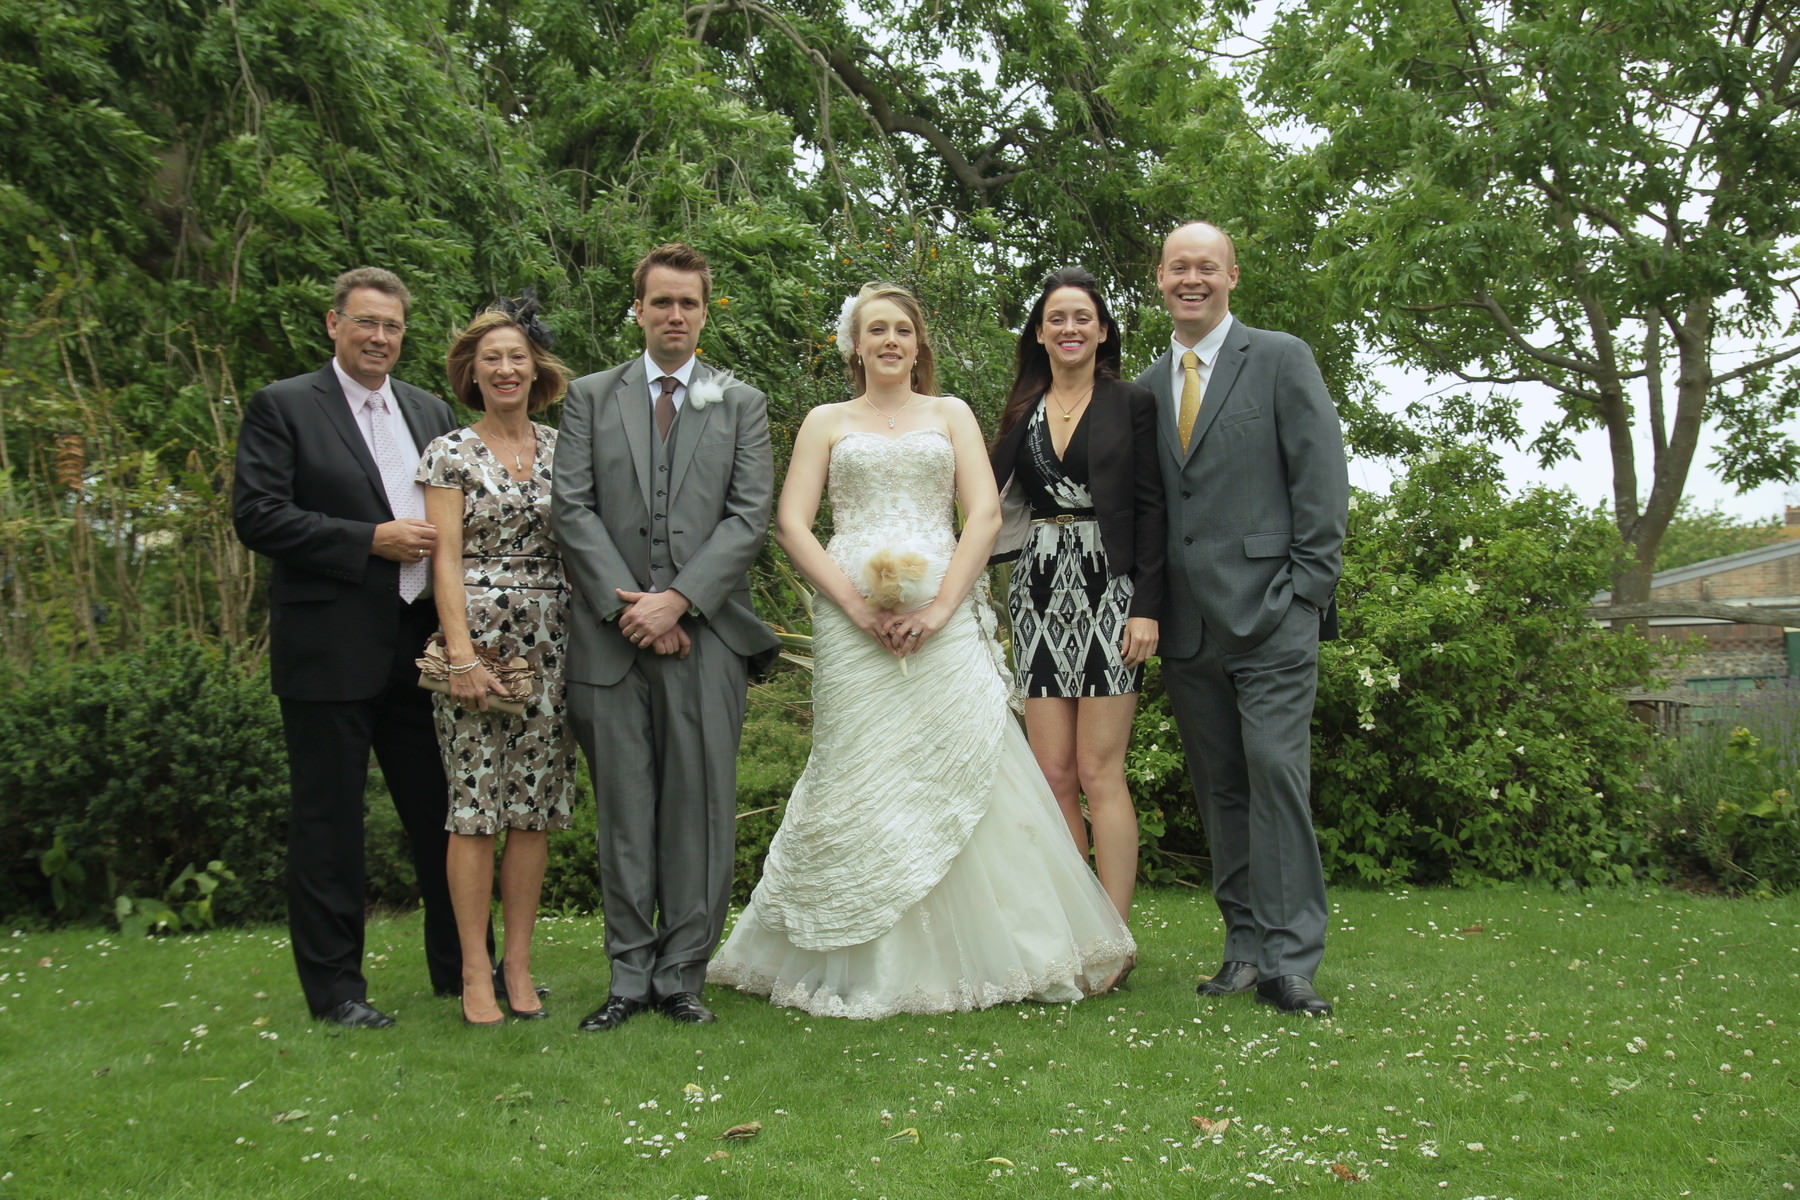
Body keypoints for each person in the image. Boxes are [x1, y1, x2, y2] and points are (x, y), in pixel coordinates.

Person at [707, 283, 1134, 1019]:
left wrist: (939, 610)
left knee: (970, 764)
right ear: (855, 344)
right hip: (853, 627)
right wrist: (853, 606)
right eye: (875, 330)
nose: (890, 341)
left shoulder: (951, 414)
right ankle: (864, 955)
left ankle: (1004, 950)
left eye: (902, 330)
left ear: (918, 344)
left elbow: (985, 515)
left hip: (946, 621)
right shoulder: (826, 422)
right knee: (858, 767)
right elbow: (792, 523)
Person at [552, 243, 781, 1032]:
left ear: (705, 313)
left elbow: (749, 516)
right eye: (661, 302)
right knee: (623, 813)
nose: (674, 315)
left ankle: (682, 976)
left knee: (699, 811)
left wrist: (678, 601)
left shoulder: (740, 402)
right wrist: (633, 611)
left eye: (688, 303)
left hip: (706, 638)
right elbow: (572, 508)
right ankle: (627, 978)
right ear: (639, 309)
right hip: (609, 640)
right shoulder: (589, 397)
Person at [233, 267, 462, 1027]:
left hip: (420, 646)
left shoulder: (429, 410)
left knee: (444, 814)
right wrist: (368, 539)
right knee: (330, 823)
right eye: (366, 322)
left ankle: (462, 970)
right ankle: (336, 991)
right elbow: (258, 515)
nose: (379, 338)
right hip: (329, 646)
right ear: (334, 324)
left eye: (392, 326)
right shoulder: (285, 406)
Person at [1135, 222, 1348, 1016]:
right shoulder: (1147, 386)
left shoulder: (1282, 358)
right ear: (1160, 278)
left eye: (1206, 267)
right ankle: (1245, 949)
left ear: (1231, 276)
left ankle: (1291, 962)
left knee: (1275, 774)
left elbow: (1321, 477)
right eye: (1178, 267)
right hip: (1188, 629)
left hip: (1273, 615)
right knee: (1221, 788)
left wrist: (1306, 592)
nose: (1191, 279)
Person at [419, 300, 580, 1026]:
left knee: (533, 809)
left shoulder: (565, 449)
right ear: (472, 373)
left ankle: (518, 965)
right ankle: (472, 972)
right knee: (475, 808)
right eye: (492, 359)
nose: (507, 369)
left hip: (553, 643)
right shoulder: (448, 453)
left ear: (536, 369)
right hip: (478, 642)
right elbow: (444, 559)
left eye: (518, 357)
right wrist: (459, 656)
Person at [989, 267, 1165, 932]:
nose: (1069, 328)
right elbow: (985, 501)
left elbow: (1154, 510)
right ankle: (1076, 932)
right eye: (1056, 318)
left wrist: (1147, 607)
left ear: (1103, 331)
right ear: (1039, 333)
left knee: (1098, 770)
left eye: (1082, 318)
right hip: (1036, 589)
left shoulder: (1132, 403)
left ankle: (1115, 936)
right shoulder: (1022, 410)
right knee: (1053, 772)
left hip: (1110, 588)